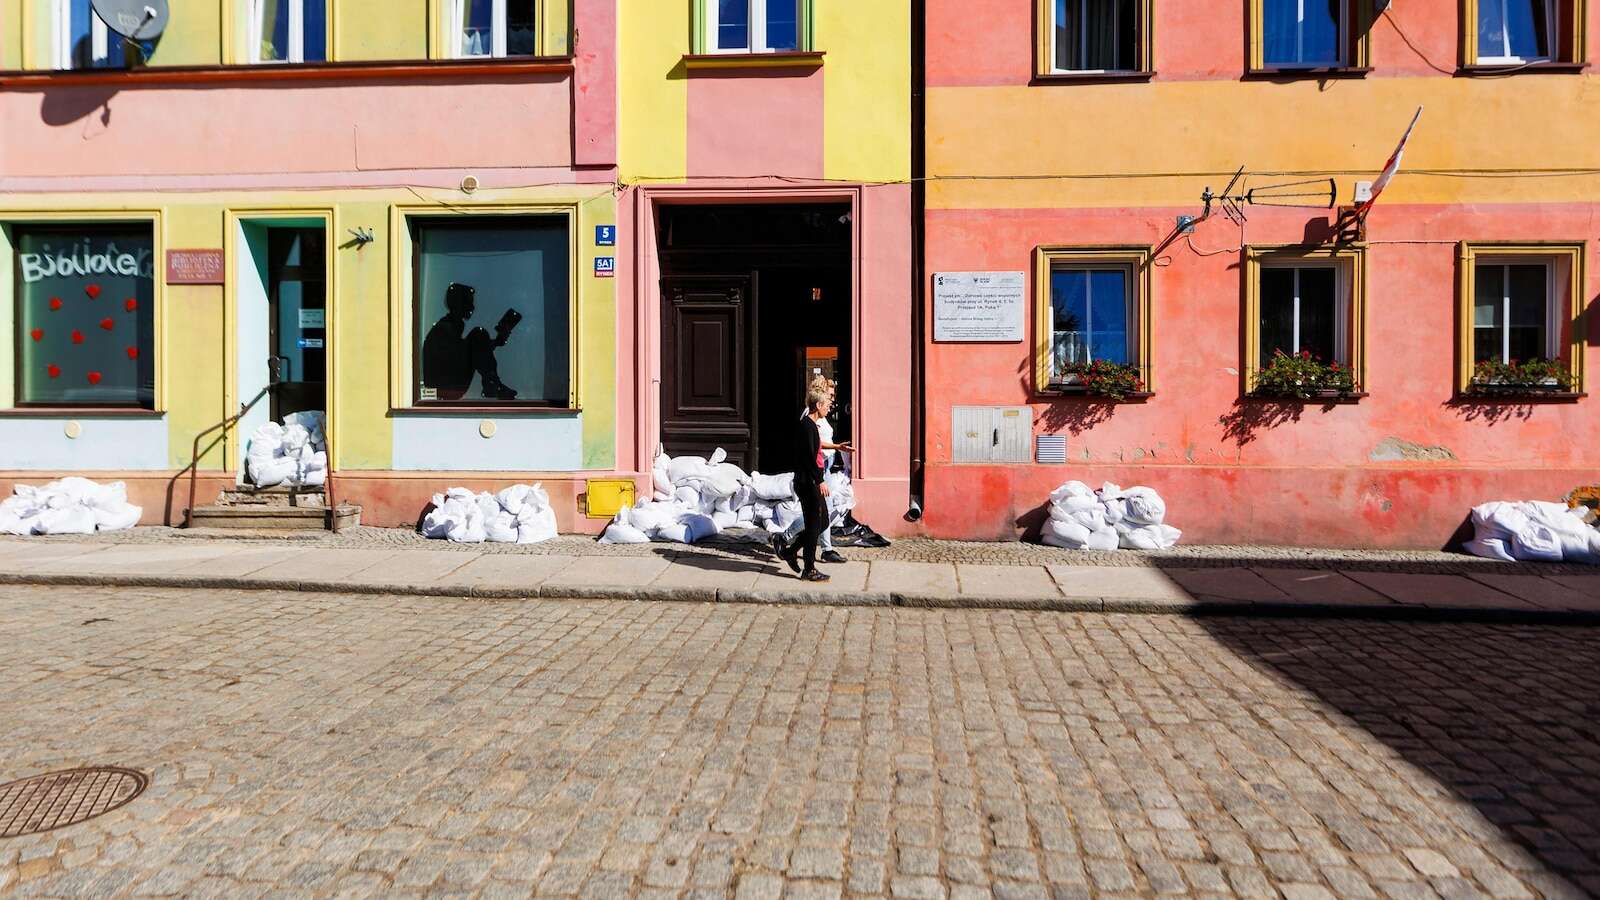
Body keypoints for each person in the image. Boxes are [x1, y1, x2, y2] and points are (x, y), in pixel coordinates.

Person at [421, 282, 519, 401]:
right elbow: (462, 352)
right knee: (479, 334)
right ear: (459, 304)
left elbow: (466, 351)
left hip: (445, 386)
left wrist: (494, 343)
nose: (472, 307)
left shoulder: (447, 327)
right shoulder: (445, 328)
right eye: (468, 302)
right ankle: (492, 385)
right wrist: (487, 343)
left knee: (479, 335)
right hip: (443, 387)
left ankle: (492, 384)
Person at [772, 386, 832, 582]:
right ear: (818, 405)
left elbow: (814, 451)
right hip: (808, 483)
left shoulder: (811, 426)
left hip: (810, 481)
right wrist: (820, 480)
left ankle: (790, 551)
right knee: (814, 524)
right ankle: (809, 568)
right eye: (827, 405)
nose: (829, 408)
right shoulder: (807, 426)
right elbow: (808, 458)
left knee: (822, 522)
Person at [808, 377, 853, 563]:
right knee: (819, 510)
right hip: (819, 468)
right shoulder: (812, 416)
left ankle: (826, 548)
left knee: (822, 509)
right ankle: (786, 536)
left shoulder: (822, 416)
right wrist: (836, 447)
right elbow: (815, 444)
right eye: (830, 395)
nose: (833, 399)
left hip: (823, 466)